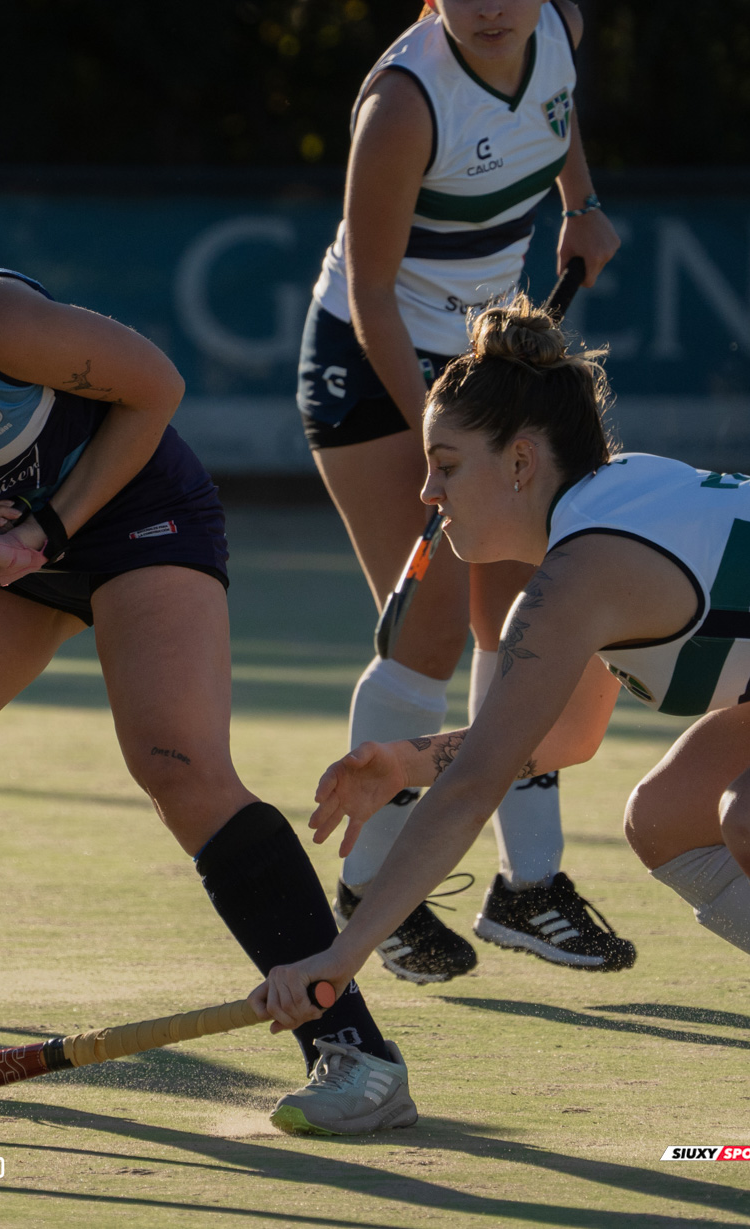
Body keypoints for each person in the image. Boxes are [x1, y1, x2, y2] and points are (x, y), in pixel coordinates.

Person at [0, 161, 416, 1135]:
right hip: (0, 558)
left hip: (138, 517)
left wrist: (51, 525)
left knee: (178, 766)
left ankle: (355, 1050)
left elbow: (157, 387)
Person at [259, 296, 750, 1036]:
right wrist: (406, 761)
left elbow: (474, 790)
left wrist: (342, 956)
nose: (428, 493)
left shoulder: (577, 578)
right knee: (667, 817)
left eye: (446, 465)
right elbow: (566, 736)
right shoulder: (604, 518)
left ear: (521, 461)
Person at [296, 0, 628, 983]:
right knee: (433, 628)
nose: (490, 8)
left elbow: (555, 107)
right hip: (376, 368)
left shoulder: (558, 27)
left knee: (529, 617)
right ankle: (367, 891)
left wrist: (581, 202)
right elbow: (370, 294)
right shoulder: (404, 104)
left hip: (481, 365)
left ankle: (528, 887)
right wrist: (440, 447)